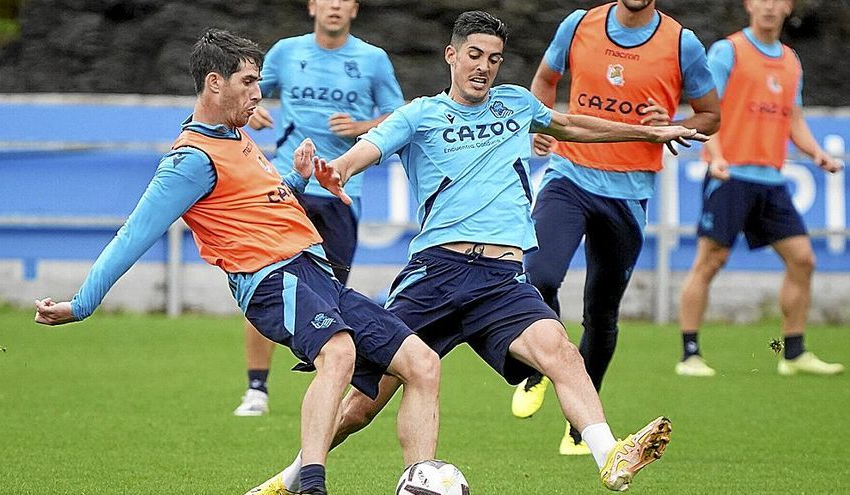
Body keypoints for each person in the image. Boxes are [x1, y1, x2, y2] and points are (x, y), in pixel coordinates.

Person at [248, 11, 709, 494]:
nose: (484, 67)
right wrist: (337, 170)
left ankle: (609, 454)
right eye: (474, 55)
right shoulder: (420, 113)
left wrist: (652, 133)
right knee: (365, 403)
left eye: (494, 59)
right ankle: (289, 479)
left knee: (561, 351)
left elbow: (573, 124)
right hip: (437, 274)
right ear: (452, 55)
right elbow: (368, 148)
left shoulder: (516, 104)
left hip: (501, 279)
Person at [33, 29, 440, 495]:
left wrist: (298, 178)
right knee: (340, 352)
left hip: (316, 276)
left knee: (421, 362)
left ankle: (414, 481)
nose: (258, 94)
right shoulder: (190, 160)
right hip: (272, 281)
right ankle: (311, 487)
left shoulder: (235, 138)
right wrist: (82, 303)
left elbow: (262, 202)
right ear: (214, 83)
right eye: (248, 82)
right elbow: (133, 234)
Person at [510, 0, 721, 456]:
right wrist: (538, 123)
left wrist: (675, 125)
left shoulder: (682, 44)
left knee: (601, 313)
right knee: (538, 276)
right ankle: (537, 367)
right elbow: (546, 80)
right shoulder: (579, 24)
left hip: (627, 196)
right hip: (569, 175)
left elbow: (710, 116)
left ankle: (579, 427)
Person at [234, 0, 406, 416]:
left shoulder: (372, 59)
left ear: (354, 9)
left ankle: (325, 385)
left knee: (331, 294)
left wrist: (361, 127)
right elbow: (248, 89)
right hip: (286, 184)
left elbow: (400, 116)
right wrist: (251, 110)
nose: (334, 5)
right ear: (312, 6)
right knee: (263, 278)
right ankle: (257, 389)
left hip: (342, 191)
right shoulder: (287, 52)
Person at [675, 0, 844, 377]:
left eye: (777, 1)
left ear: (788, 8)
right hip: (729, 174)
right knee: (710, 262)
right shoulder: (728, 51)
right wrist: (714, 155)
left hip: (771, 180)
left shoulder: (790, 60)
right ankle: (690, 355)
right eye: (761, 0)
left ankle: (794, 353)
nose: (768, 7)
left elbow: (794, 120)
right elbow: (707, 109)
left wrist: (817, 153)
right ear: (749, 6)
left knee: (803, 259)